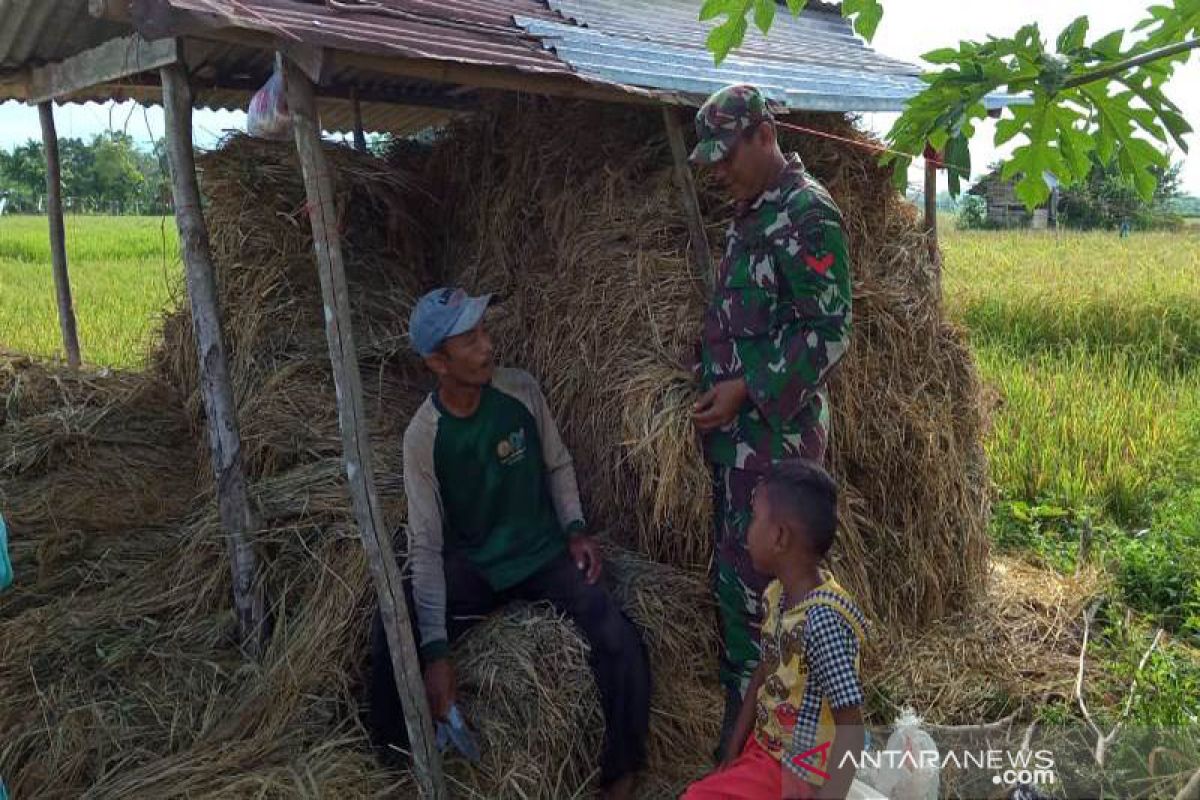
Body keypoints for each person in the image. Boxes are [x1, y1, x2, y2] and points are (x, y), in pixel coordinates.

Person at [369, 287, 650, 799]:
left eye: (484, 333)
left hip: (542, 555)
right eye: (469, 340)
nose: (486, 347)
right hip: (476, 567)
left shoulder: (520, 392)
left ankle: (621, 773)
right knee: (392, 624)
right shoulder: (423, 437)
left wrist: (574, 529)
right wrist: (435, 652)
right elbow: (426, 547)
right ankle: (394, 761)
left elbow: (558, 464)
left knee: (619, 637)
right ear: (437, 361)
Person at [688, 83, 853, 756]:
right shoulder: (752, 213)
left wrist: (743, 390)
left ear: (763, 134)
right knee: (739, 589)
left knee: (778, 598)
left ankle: (788, 746)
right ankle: (743, 737)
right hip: (741, 449)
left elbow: (830, 333)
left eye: (726, 154)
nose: (718, 170)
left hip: (778, 448)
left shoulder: (808, 215)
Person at [682, 460, 867, 800]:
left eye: (754, 518)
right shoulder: (777, 595)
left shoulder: (822, 622)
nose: (746, 530)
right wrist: (732, 753)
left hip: (795, 771)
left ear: (780, 536)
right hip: (766, 748)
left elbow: (852, 730)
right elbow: (764, 674)